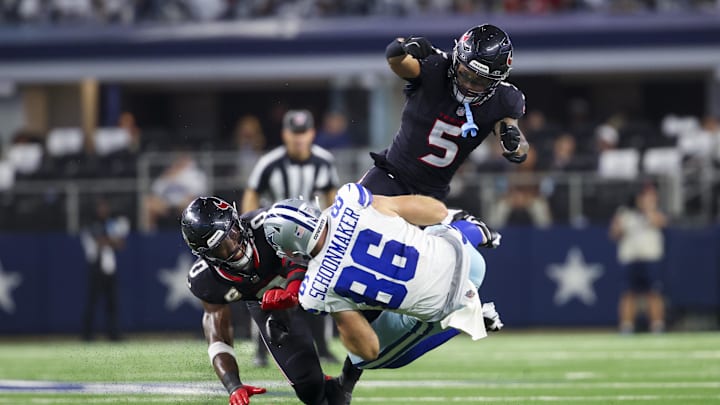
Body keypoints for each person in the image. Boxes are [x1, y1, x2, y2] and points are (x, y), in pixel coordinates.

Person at [263, 182, 504, 369]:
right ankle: (473, 230)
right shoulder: (350, 198)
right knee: (423, 230)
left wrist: (337, 309)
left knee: (361, 358)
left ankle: (467, 318)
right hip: (466, 255)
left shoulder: (314, 291)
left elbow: (368, 347)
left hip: (450, 300)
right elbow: (437, 211)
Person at [180, 196, 358, 405]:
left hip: (316, 278)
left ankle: (346, 382)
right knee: (310, 391)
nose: (235, 245)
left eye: (234, 232)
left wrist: (293, 289)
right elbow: (218, 336)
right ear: (206, 255)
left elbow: (301, 253)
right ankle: (331, 391)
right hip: (269, 305)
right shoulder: (206, 279)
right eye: (222, 246)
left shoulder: (266, 222)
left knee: (371, 323)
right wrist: (233, 385)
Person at [359, 24, 529, 200]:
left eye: (480, 81)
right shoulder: (436, 67)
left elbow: (519, 145)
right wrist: (403, 46)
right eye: (465, 74)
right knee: (348, 217)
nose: (468, 85)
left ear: (495, 81)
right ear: (456, 62)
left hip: (431, 197)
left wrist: (514, 143)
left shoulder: (505, 100)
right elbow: (395, 59)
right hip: (391, 176)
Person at [241, 109, 341, 366]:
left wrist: (334, 231)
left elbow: (333, 197)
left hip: (312, 239)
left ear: (312, 133)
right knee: (268, 291)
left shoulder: (324, 161)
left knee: (319, 288)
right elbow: (251, 194)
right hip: (276, 240)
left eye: (303, 133)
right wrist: (250, 230)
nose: (299, 139)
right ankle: (262, 350)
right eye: (294, 134)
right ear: (285, 134)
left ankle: (324, 347)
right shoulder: (270, 162)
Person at [609, 182, 668, 334]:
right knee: (628, 293)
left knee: (654, 293)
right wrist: (620, 226)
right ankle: (627, 326)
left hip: (650, 257)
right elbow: (614, 234)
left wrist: (647, 209)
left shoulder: (654, 211)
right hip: (630, 258)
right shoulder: (624, 213)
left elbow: (660, 222)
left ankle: (657, 325)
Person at [81, 196, 130, 342]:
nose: (104, 210)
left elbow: (121, 244)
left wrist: (112, 240)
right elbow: (100, 241)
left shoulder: (110, 223)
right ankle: (87, 335)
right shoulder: (92, 224)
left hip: (109, 267)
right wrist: (112, 240)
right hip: (96, 267)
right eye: (101, 207)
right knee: (92, 302)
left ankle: (113, 334)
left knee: (112, 303)